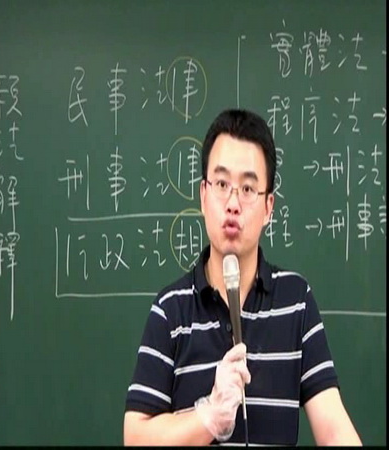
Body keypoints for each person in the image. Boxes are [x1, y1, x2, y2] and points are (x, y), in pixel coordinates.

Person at [123, 109, 362, 446]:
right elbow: (136, 437)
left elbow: (335, 431)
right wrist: (209, 416)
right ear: (203, 195)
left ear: (268, 207)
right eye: (222, 184)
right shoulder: (170, 310)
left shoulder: (296, 301)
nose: (233, 203)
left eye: (248, 188)